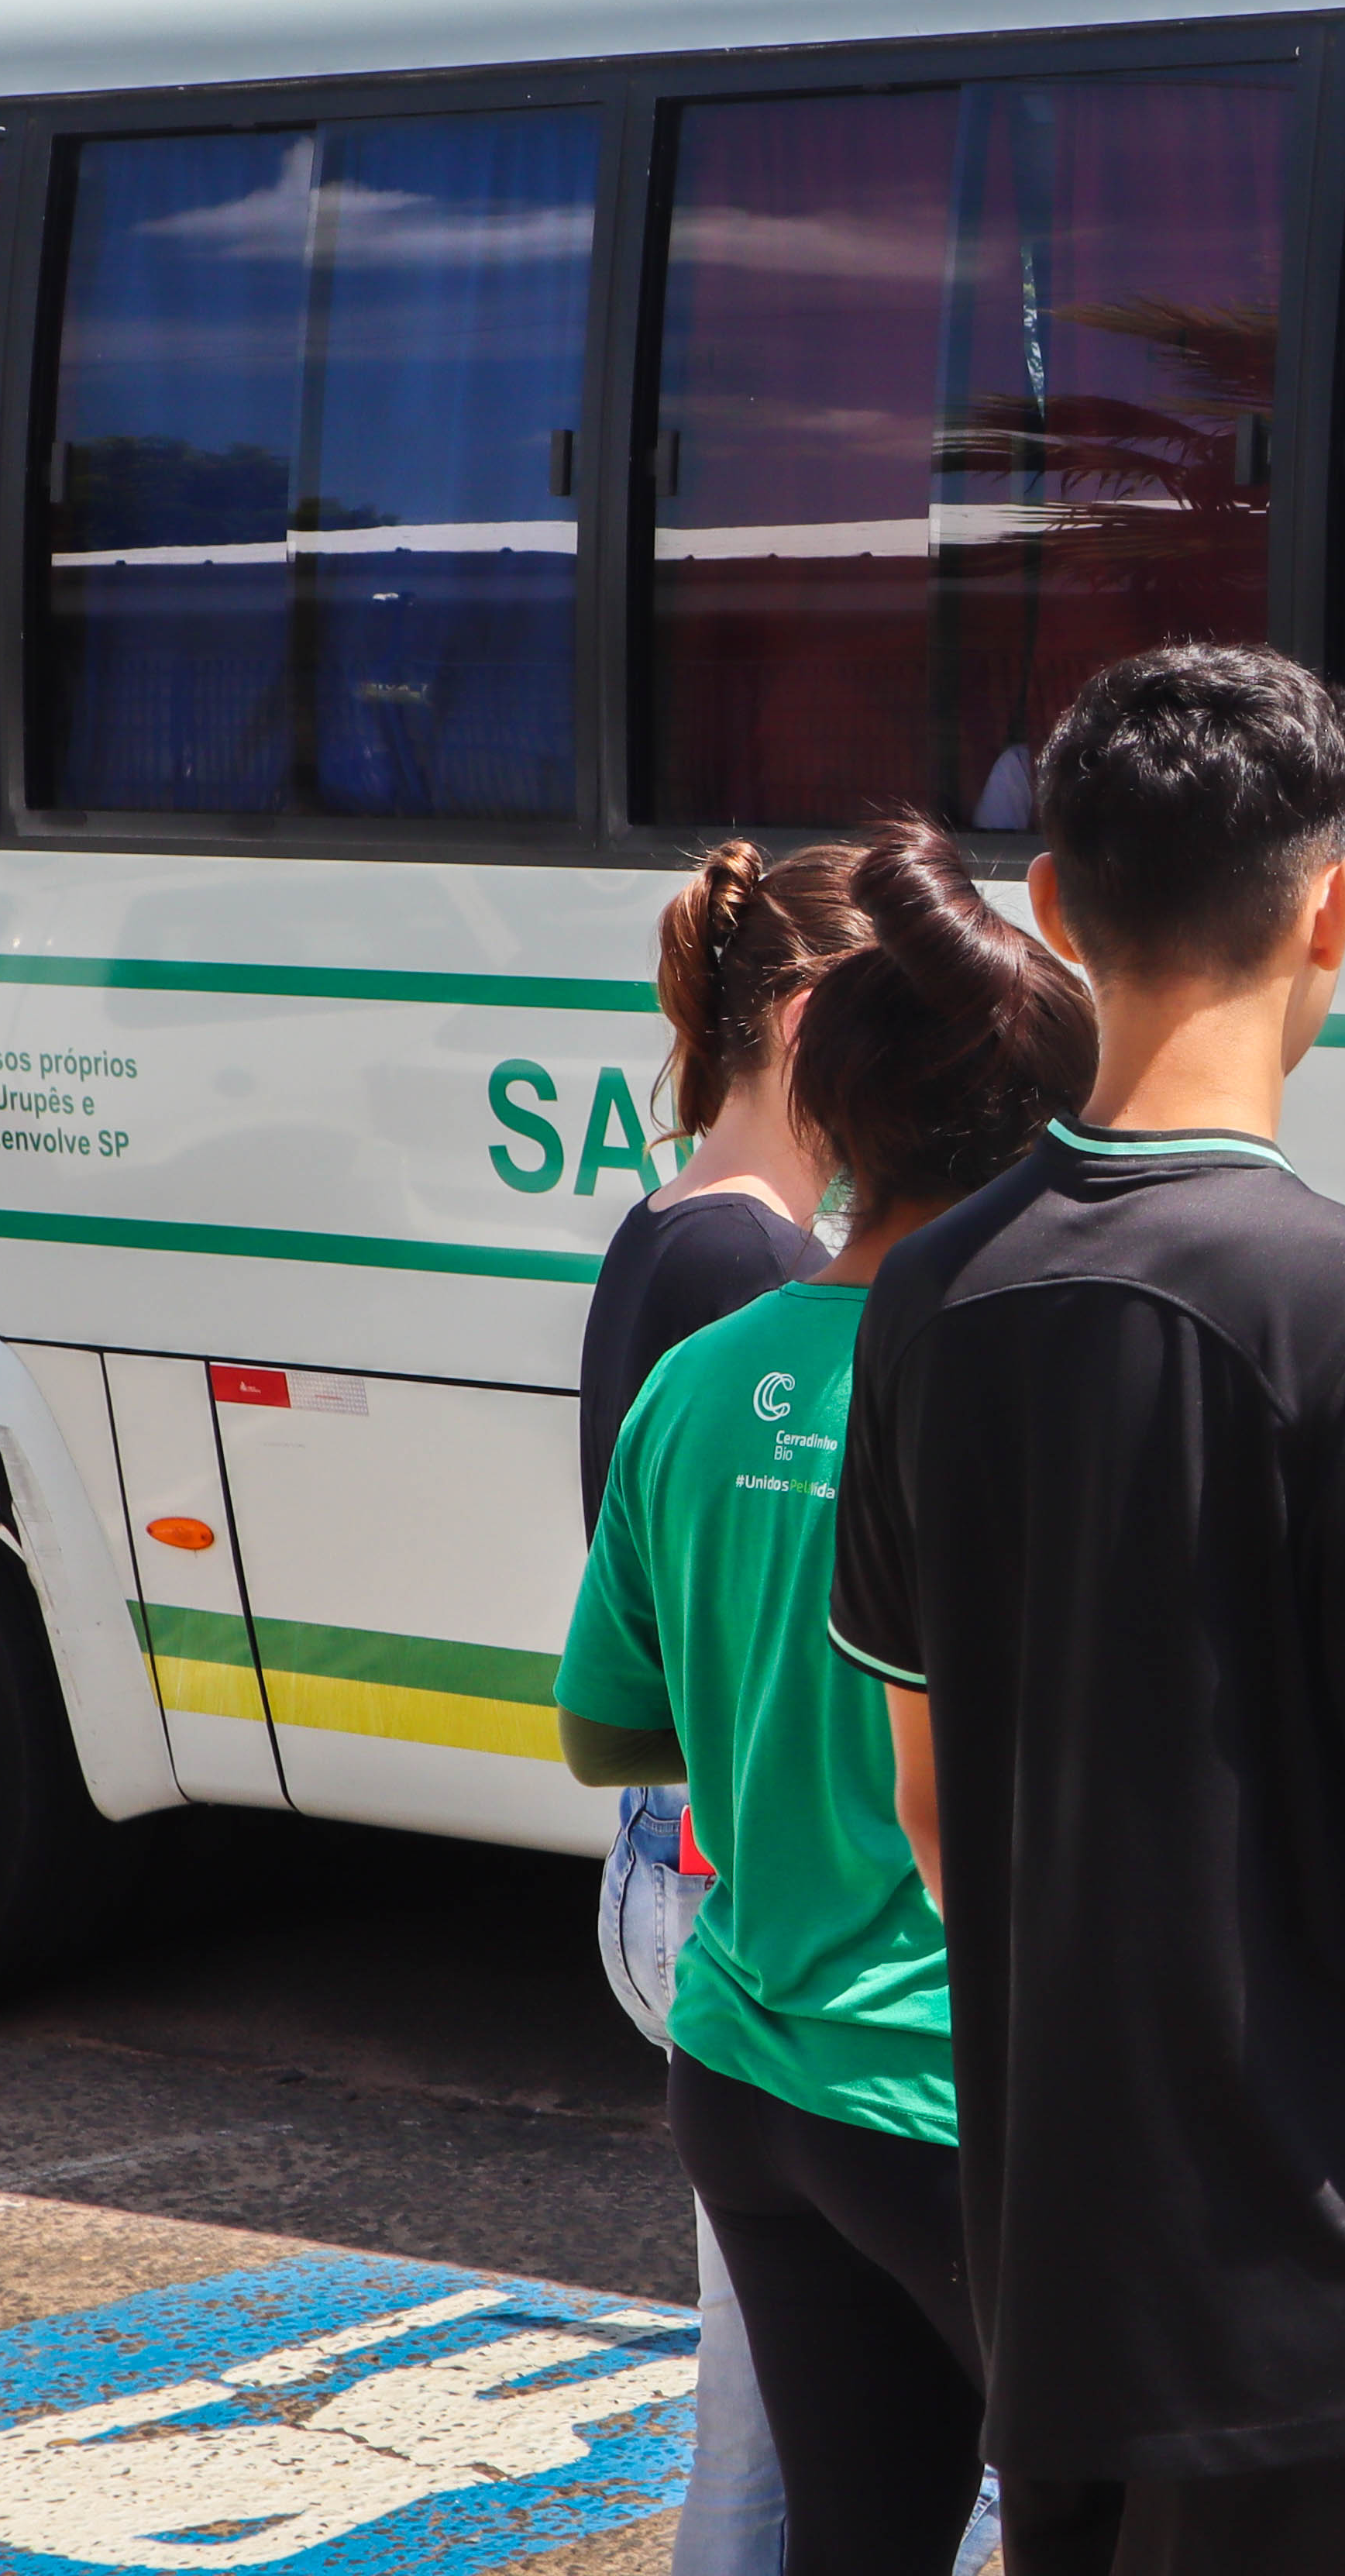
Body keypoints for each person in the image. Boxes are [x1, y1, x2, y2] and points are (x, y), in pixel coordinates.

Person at [831, 646, 1345, 2576]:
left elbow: (937, 1814)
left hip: (1059, 2283)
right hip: (1344, 2323)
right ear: (1334, 906)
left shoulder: (927, 1300)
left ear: (1047, 909)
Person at [561, 818, 1092, 2576]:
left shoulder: (707, 1365)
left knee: (838, 2514)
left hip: (741, 2036)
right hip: (924, 2074)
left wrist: (772, 1745)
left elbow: (607, 1727)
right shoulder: (997, 1383)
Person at [584, 831, 871, 2576]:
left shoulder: (686, 1228)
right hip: (729, 1873)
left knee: (773, 2393)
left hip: (690, 1863)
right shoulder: (751, 1268)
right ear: (811, 1019)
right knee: (789, 2422)